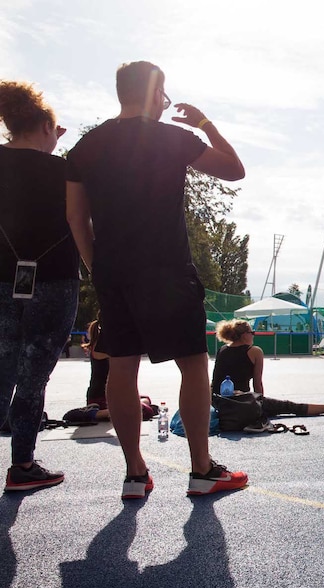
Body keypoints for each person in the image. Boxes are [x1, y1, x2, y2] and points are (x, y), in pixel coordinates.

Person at [66, 61, 248, 499]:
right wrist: (205, 123)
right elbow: (234, 169)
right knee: (192, 364)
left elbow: (76, 216)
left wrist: (96, 266)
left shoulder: (86, 145)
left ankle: (134, 474)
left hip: (114, 271)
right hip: (166, 269)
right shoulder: (172, 138)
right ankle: (202, 470)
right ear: (156, 93)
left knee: (122, 367)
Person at [0, 80, 79, 492]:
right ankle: (22, 466)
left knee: (1, 364)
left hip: (0, 277)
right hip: (54, 278)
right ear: (48, 127)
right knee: (33, 376)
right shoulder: (66, 171)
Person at [211, 319, 324, 415]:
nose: (253, 335)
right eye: (252, 332)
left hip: (217, 401)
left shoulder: (222, 349)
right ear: (243, 335)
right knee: (289, 406)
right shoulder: (254, 351)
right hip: (240, 401)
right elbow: (257, 383)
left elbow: (215, 380)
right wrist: (260, 404)